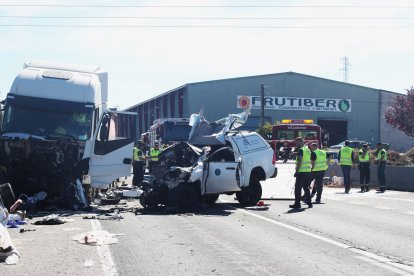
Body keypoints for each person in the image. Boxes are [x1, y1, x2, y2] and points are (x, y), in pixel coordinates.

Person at [289, 137, 313, 209]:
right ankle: (309, 203)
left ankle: (297, 204)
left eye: (296, 143)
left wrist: (297, 171)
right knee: (306, 188)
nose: (296, 144)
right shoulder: (307, 149)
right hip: (308, 171)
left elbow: (300, 161)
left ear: (300, 142)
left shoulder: (301, 150)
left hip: (301, 172)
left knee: (297, 189)